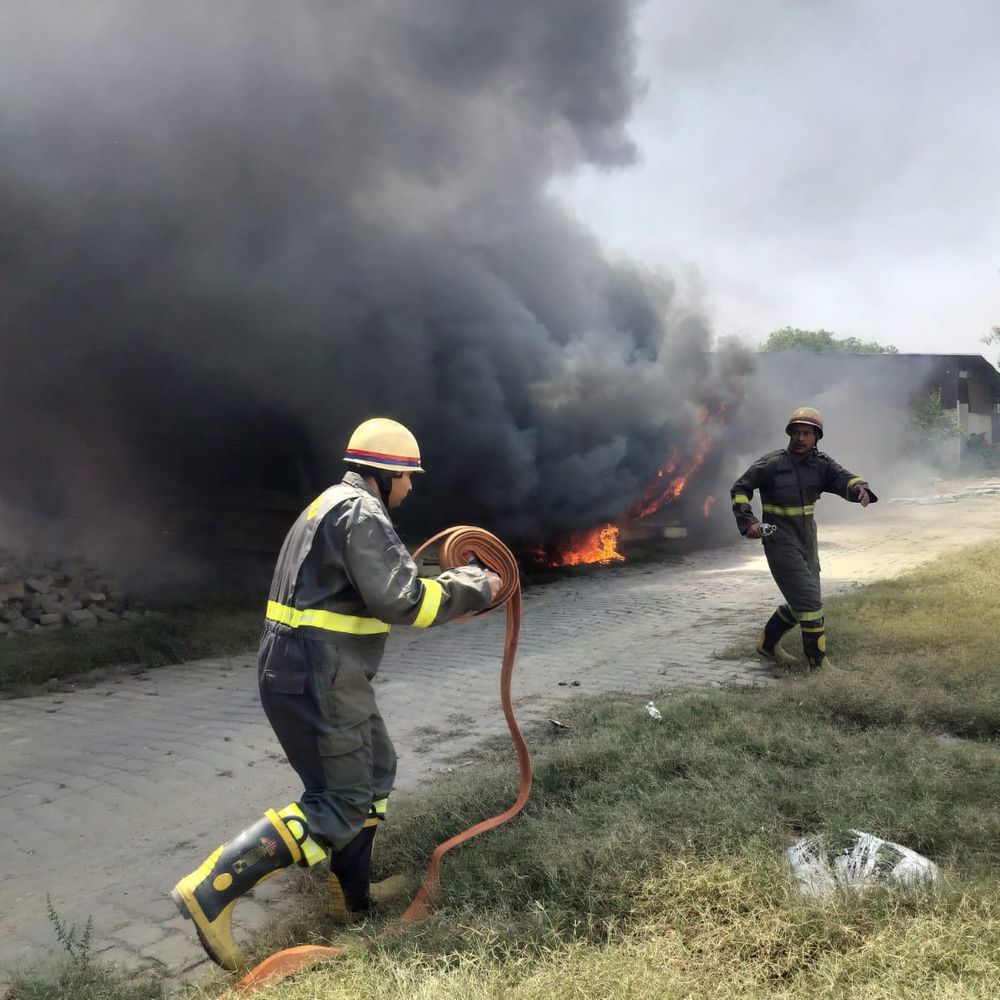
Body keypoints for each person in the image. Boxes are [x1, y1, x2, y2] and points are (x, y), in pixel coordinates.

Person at [171, 417, 501, 969]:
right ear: (387, 473)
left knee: (375, 771)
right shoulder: (360, 512)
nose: (412, 487)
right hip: (319, 673)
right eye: (409, 476)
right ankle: (212, 889)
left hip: (317, 671)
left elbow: (378, 585)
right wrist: (475, 586)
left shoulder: (333, 505)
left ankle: (351, 898)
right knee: (340, 799)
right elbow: (404, 603)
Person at [730, 406, 876, 670]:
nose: (800, 438)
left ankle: (767, 644)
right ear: (789, 434)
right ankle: (818, 666)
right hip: (779, 539)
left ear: (816, 437)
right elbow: (740, 489)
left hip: (807, 537)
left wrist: (859, 488)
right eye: (796, 432)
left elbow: (844, 478)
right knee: (809, 601)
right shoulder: (771, 464)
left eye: (807, 433)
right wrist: (749, 521)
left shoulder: (821, 465)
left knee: (805, 598)